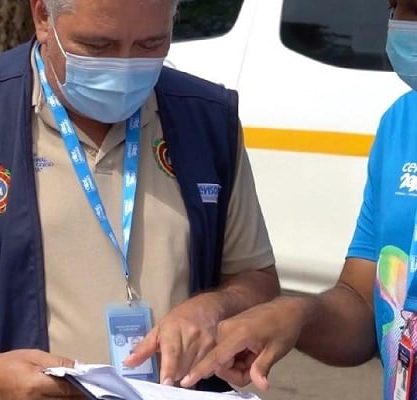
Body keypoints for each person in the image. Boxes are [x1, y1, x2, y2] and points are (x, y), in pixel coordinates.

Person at [0, 0, 279, 399]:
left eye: (151, 44)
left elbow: (256, 278)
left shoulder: (207, 119)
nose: (124, 64)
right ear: (43, 16)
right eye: (98, 46)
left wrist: (214, 306)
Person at [176, 1, 417, 399]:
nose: (402, 24)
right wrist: (297, 315)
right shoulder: (400, 122)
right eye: (400, 8)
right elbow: (363, 303)